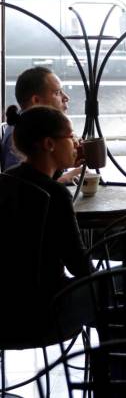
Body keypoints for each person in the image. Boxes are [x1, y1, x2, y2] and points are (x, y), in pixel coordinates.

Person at [3, 105, 93, 338]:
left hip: (6, 312)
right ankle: (123, 362)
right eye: (70, 136)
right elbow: (78, 265)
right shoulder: (56, 194)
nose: (75, 143)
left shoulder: (8, 180)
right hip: (46, 313)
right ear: (49, 144)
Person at [1, 67, 81, 182]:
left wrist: (64, 160)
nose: (66, 98)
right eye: (57, 92)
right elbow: (19, 187)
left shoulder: (38, 128)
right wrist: (63, 180)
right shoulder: (21, 134)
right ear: (36, 101)